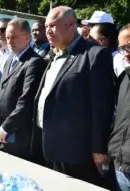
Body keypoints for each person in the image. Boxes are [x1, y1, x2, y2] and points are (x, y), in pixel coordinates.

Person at [31, 6, 114, 185]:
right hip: (49, 146)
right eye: (46, 27)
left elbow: (102, 107)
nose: (47, 31)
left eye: (52, 25)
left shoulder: (95, 55)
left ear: (70, 25)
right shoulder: (55, 55)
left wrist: (99, 149)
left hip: (76, 152)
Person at [0, 18, 47, 160]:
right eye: (7, 37)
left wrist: (5, 128)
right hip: (3, 132)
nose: (9, 41)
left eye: (14, 37)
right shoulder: (9, 60)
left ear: (27, 37)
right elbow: (2, 94)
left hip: (21, 136)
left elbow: (26, 101)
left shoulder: (34, 62)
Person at [108, 24, 130, 191]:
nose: (125, 54)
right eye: (122, 49)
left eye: (128, 47)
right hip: (119, 166)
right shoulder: (124, 78)